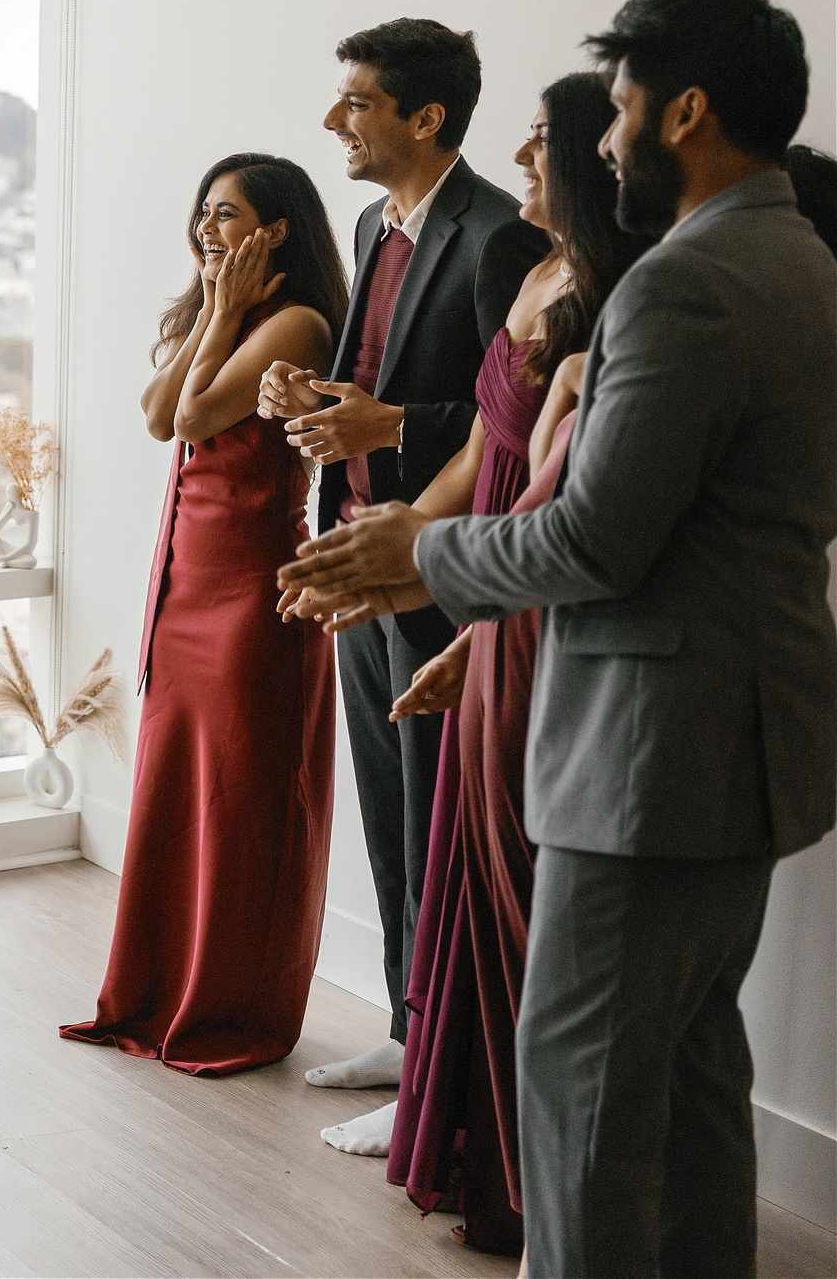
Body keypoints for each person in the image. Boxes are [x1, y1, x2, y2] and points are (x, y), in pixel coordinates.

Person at [280, 0, 837, 1278]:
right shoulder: (804, 255)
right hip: (750, 744)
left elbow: (592, 538)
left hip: (651, 754)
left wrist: (419, 547)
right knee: (697, 1075)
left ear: (684, 110)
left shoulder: (684, 286)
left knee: (579, 1088)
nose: (601, 143)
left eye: (621, 110)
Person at [286, 71, 651, 1250]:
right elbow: (484, 438)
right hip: (453, 563)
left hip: (513, 587)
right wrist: (386, 556)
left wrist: (441, 576)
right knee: (433, 846)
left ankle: (525, 1169)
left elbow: (547, 482)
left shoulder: (579, 281)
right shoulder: (506, 265)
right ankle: (451, 1113)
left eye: (549, 138)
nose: (528, 152)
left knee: (506, 886)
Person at [256, 20, 549, 1146]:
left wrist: (393, 425)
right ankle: (400, 1017)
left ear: (425, 119)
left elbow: (505, 417)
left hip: (438, 567)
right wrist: (308, 395)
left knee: (437, 811)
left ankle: (436, 1060)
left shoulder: (496, 237)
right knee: (385, 807)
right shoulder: (377, 222)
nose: (335, 120)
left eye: (357, 102)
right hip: (355, 547)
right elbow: (365, 379)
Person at [60, 155, 348, 1073]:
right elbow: (157, 414)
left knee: (242, 802)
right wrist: (214, 311)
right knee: (177, 793)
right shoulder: (214, 314)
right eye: (205, 212)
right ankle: (155, 989)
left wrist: (223, 314)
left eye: (230, 216)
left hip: (256, 593)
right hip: (185, 586)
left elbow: (197, 416)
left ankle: (230, 1006)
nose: (208, 230)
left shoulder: (296, 320)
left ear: (278, 233)